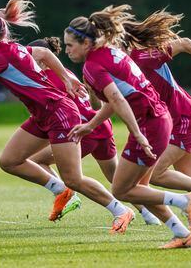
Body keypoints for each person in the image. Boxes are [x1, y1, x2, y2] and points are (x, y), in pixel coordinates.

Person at [0, 0, 135, 233]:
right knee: (9, 161)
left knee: (73, 178)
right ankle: (61, 190)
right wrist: (65, 79)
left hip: (59, 113)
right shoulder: (15, 48)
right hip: (43, 116)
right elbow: (45, 54)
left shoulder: (0, 56)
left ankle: (120, 210)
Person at [65, 4, 191, 248]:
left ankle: (185, 200)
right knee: (135, 188)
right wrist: (91, 125)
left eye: (69, 45)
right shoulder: (112, 53)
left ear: (86, 43)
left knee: (122, 189)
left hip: (150, 124)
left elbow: (117, 99)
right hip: (158, 120)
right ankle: (181, 233)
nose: (66, 50)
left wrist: (138, 134)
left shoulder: (93, 65)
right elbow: (113, 101)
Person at [27, 37, 161, 225]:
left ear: (41, 59)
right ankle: (149, 214)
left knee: (37, 161)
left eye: (29, 58)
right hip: (101, 126)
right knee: (118, 181)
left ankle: (66, 195)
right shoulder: (66, 72)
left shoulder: (46, 77)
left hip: (83, 130)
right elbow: (92, 103)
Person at [122, 9, 191, 225]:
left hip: (183, 119)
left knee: (158, 174)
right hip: (176, 121)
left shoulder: (142, 58)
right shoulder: (123, 65)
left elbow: (185, 42)